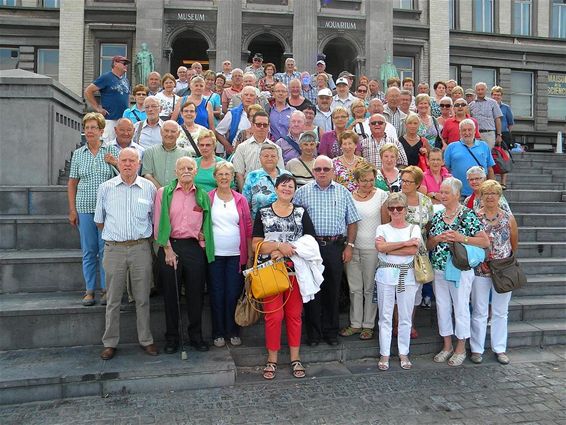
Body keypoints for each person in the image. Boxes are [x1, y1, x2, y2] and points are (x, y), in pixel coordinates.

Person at [95, 148, 158, 360]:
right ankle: (110, 342)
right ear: (118, 163)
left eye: (132, 160)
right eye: (124, 160)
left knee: (142, 298)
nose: (128, 164)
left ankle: (146, 340)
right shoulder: (106, 188)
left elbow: (153, 218)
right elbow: (99, 220)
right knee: (113, 299)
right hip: (114, 249)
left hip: (140, 248)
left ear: (138, 163)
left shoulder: (148, 188)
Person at [252, 174, 317, 380]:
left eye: (291, 186)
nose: (287, 189)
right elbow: (256, 244)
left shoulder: (301, 212)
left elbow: (310, 241)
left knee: (294, 316)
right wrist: (279, 246)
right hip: (270, 272)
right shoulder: (263, 213)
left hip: (295, 271)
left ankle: (295, 358)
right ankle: (272, 359)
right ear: (276, 188)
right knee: (274, 316)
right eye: (283, 185)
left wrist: (289, 249)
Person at [294, 155, 361, 346]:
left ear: (332, 171)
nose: (322, 172)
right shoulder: (302, 192)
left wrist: (350, 246)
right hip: (311, 248)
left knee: (333, 291)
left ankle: (331, 333)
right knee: (312, 291)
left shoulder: (343, 192)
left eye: (326, 169)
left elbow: (352, 221)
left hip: (334, 247)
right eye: (318, 169)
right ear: (313, 171)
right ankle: (313, 334)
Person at [154, 156, 215, 354]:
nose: (186, 170)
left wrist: (203, 242)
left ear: (196, 171)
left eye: (190, 167)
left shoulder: (203, 195)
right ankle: (172, 338)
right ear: (176, 172)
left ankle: (196, 337)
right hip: (170, 246)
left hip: (193, 248)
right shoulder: (164, 193)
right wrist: (168, 249)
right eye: (182, 168)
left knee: (195, 295)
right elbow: (158, 224)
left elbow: (206, 221)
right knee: (171, 295)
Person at [427, 177, 490, 366]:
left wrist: (461, 238)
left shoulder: (468, 215)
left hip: (459, 269)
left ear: (456, 195)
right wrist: (437, 238)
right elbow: (429, 245)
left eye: (446, 192)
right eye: (441, 192)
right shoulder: (437, 215)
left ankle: (461, 347)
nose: (442, 195)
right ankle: (447, 346)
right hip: (438, 268)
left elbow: (485, 242)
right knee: (442, 307)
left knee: (461, 307)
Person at [68, 113, 119, 306]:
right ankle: (89, 290)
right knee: (89, 251)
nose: (89, 131)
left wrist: (114, 162)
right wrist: (72, 210)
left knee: (105, 251)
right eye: (87, 127)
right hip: (84, 208)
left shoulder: (111, 151)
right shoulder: (78, 154)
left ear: (101, 130)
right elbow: (72, 183)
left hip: (107, 211)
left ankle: (106, 289)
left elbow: (125, 176)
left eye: (93, 128)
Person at [470, 180, 518, 365]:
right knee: (479, 310)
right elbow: (469, 243)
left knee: (500, 311)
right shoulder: (474, 217)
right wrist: (481, 261)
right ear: (480, 196)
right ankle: (476, 348)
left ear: (499, 196)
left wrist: (504, 261)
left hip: (503, 270)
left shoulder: (508, 218)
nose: (490, 196)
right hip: (480, 270)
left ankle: (500, 348)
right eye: (486, 193)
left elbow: (514, 243)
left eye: (494, 193)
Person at [340, 162, 388, 341]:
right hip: (352, 247)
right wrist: (348, 245)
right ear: (357, 181)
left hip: (372, 249)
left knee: (369, 288)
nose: (368, 184)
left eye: (371, 180)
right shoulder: (349, 196)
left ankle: (368, 325)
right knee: (354, 288)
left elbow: (384, 225)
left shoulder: (382, 196)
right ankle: (355, 323)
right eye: (364, 181)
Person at [375, 192, 422, 371]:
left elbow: (412, 251)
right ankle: (384, 353)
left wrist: (389, 248)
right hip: (385, 275)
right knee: (385, 316)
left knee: (405, 316)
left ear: (405, 209)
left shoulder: (414, 228)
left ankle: (404, 352)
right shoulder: (382, 229)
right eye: (392, 208)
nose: (395, 211)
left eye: (399, 208)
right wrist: (405, 243)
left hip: (407, 276)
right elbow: (380, 247)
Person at [208, 161, 252, 348]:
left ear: (233, 177)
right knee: (216, 293)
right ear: (215, 177)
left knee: (233, 293)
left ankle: (233, 331)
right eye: (221, 174)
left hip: (236, 255)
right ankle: (218, 332)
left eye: (228, 174)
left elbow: (248, 228)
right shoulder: (208, 197)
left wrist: (249, 256)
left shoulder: (241, 199)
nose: (224, 177)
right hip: (215, 255)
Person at [398, 166, 434, 328]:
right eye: (403, 180)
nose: (404, 184)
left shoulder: (425, 201)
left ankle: (409, 324)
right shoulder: (394, 199)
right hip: (397, 251)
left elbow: (430, 225)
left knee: (416, 289)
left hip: (419, 252)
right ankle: (396, 323)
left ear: (418, 183)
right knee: (397, 288)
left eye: (408, 181)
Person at [232, 111, 284, 190]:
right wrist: (245, 196)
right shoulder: (242, 147)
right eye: (258, 124)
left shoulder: (276, 148)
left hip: (271, 191)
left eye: (265, 125)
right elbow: (239, 175)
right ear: (252, 125)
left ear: (269, 126)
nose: (262, 127)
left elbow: (280, 173)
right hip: (248, 189)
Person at [84, 55, 131, 142]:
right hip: (110, 120)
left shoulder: (126, 81)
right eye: (124, 63)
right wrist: (98, 108)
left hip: (123, 121)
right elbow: (88, 91)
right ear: (115, 64)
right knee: (108, 147)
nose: (126, 65)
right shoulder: (106, 77)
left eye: (127, 64)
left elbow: (127, 98)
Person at [444, 119, 495, 197]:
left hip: (480, 193)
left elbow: (490, 169)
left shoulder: (484, 146)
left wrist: (492, 188)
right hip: (458, 193)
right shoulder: (451, 147)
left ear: (475, 131)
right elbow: (446, 170)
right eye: (464, 130)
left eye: (469, 130)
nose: (467, 133)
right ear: (460, 132)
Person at [242, 144, 290, 218]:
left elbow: (293, 200)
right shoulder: (252, 176)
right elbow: (245, 204)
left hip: (284, 220)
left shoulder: (287, 175)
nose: (270, 159)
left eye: (273, 156)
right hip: (258, 221)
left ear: (278, 158)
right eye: (266, 156)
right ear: (260, 158)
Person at [142, 120, 191, 189]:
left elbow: (186, 177)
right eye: (166, 131)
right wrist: (163, 192)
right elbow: (147, 175)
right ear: (161, 132)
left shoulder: (185, 154)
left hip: (178, 195)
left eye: (173, 131)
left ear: (178, 134)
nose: (169, 134)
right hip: (155, 195)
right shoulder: (150, 152)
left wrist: (173, 193)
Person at [215, 85, 257, 156]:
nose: (248, 97)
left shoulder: (261, 113)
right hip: (237, 152)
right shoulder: (232, 113)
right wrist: (228, 146)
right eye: (246, 95)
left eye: (251, 95)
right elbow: (218, 132)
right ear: (241, 97)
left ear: (255, 98)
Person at [490, 86, 514, 189]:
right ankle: (493, 181)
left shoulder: (506, 108)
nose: (496, 96)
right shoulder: (489, 105)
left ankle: (503, 182)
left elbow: (510, 123)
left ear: (501, 96)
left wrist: (507, 135)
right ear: (491, 95)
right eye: (494, 94)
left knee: (504, 157)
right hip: (491, 132)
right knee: (493, 157)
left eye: (498, 95)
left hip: (503, 134)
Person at [468, 82, 503, 149]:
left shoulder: (493, 103)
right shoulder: (471, 105)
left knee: (487, 156)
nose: (480, 91)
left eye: (482, 89)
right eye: (478, 90)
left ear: (486, 90)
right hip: (475, 135)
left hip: (489, 134)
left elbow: (497, 119)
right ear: (475, 91)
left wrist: (499, 135)